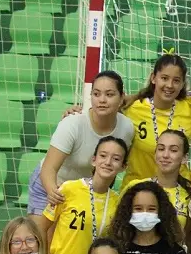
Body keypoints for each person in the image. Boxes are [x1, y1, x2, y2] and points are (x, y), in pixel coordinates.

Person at [28, 71, 134, 228]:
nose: (102, 100)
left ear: (121, 98)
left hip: (84, 193)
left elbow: (110, 169)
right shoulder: (72, 124)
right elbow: (48, 169)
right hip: (51, 186)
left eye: (109, 94)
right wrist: (54, 194)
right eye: (96, 94)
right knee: (41, 243)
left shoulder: (127, 128)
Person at [37, 136, 128, 254]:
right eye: (103, 156)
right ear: (93, 160)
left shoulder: (118, 203)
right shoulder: (68, 189)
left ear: (123, 166)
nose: (108, 162)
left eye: (116, 158)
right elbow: (41, 228)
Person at [121, 54, 191, 187]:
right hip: (137, 191)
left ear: (182, 84)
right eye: (164, 78)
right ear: (153, 78)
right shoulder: (132, 108)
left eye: (176, 80)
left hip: (176, 193)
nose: (169, 85)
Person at [121, 130, 191, 229]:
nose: (165, 155)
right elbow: (119, 226)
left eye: (173, 150)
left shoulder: (189, 196)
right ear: (155, 154)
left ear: (184, 158)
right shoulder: (135, 187)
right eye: (161, 149)